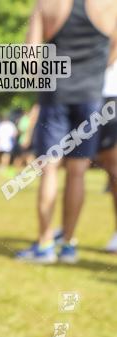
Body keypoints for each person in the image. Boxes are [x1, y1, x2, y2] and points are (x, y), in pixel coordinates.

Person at [16, 0, 117, 264]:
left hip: (55, 96)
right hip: (92, 97)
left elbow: (30, 59)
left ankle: (45, 244)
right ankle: (69, 246)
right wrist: (92, 72)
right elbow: (113, 51)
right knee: (78, 172)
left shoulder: (47, 4)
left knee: (49, 168)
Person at [97, 59, 117, 252]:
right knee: (73, 164)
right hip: (84, 93)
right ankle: (67, 233)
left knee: (113, 168)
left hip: (111, 95)